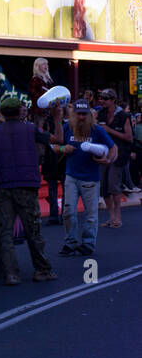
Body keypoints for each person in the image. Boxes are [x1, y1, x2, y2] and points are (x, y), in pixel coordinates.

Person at [0, 96, 63, 286]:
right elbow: (58, 139)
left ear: (3, 114)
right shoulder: (31, 129)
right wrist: (57, 119)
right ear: (18, 112)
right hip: (27, 186)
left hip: (5, 187)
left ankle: (11, 274)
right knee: (33, 230)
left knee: (5, 232)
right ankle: (42, 270)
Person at [59, 100, 114, 258]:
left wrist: (107, 160)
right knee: (68, 212)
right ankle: (70, 243)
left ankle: (88, 244)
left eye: (84, 114)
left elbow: (113, 148)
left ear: (89, 115)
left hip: (90, 179)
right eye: (79, 114)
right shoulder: (67, 128)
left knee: (91, 214)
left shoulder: (96, 130)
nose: (81, 117)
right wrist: (63, 148)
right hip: (71, 176)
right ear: (73, 114)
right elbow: (54, 145)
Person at [95, 89, 131, 229]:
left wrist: (110, 130)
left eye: (105, 98)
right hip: (103, 153)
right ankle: (111, 217)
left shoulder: (123, 116)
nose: (102, 100)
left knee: (113, 185)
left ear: (113, 100)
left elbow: (128, 137)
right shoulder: (101, 114)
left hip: (119, 155)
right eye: (101, 98)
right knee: (103, 187)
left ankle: (118, 217)